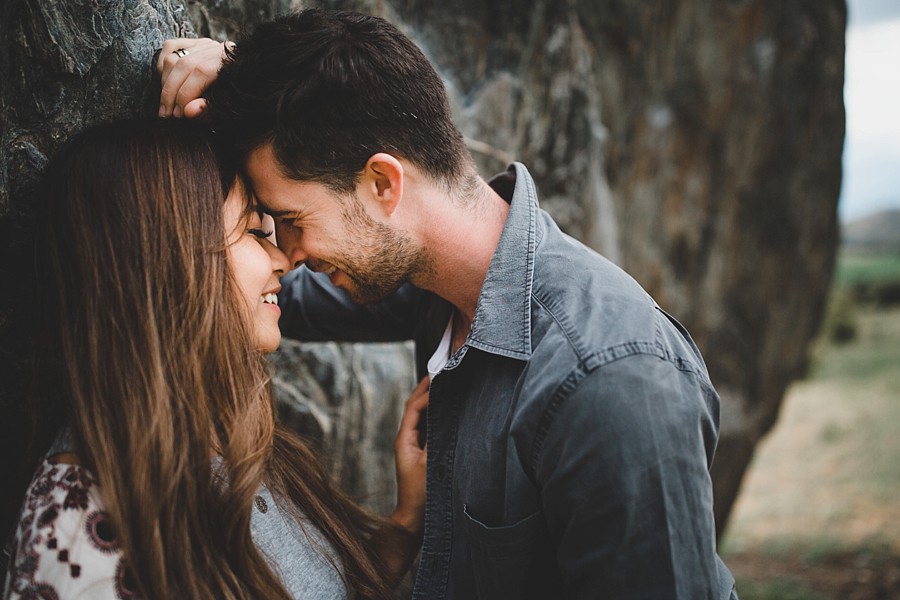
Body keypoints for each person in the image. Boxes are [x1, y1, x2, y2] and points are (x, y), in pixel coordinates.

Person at [157, 8, 738, 599]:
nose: (289, 253)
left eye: (290, 220)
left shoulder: (609, 379)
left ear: (383, 184)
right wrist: (240, 79)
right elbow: (246, 293)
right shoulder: (430, 286)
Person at [2, 118, 428, 600]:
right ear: (168, 259)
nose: (283, 260)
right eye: (252, 230)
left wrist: (406, 523)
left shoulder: (230, 440)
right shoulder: (80, 531)